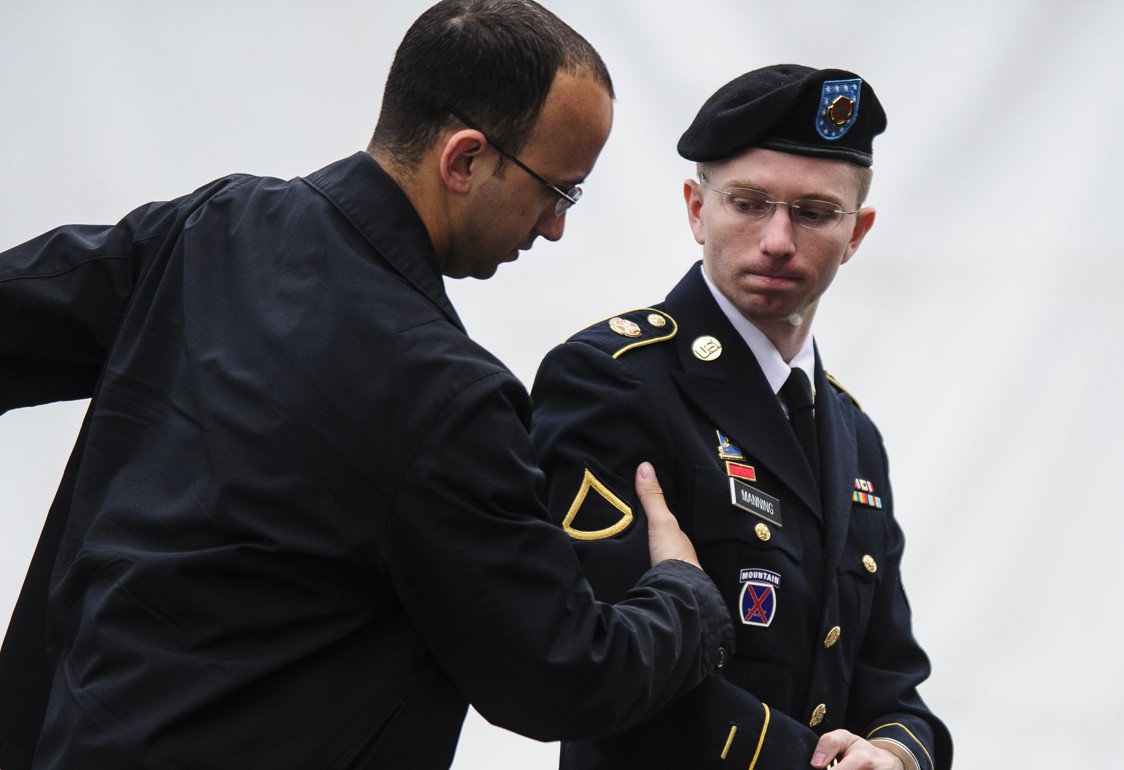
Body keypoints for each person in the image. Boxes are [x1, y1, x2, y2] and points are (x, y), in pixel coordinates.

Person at [0, 2, 736, 768]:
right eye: (559, 190)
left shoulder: (213, 230)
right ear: (464, 160)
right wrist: (684, 595)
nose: (554, 226)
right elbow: (559, 674)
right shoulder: (446, 399)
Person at [530, 64, 952, 769]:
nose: (778, 239)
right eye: (749, 203)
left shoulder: (854, 436)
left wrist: (896, 754)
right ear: (696, 208)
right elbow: (597, 656)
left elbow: (892, 680)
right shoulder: (611, 381)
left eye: (815, 212)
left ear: (858, 232)